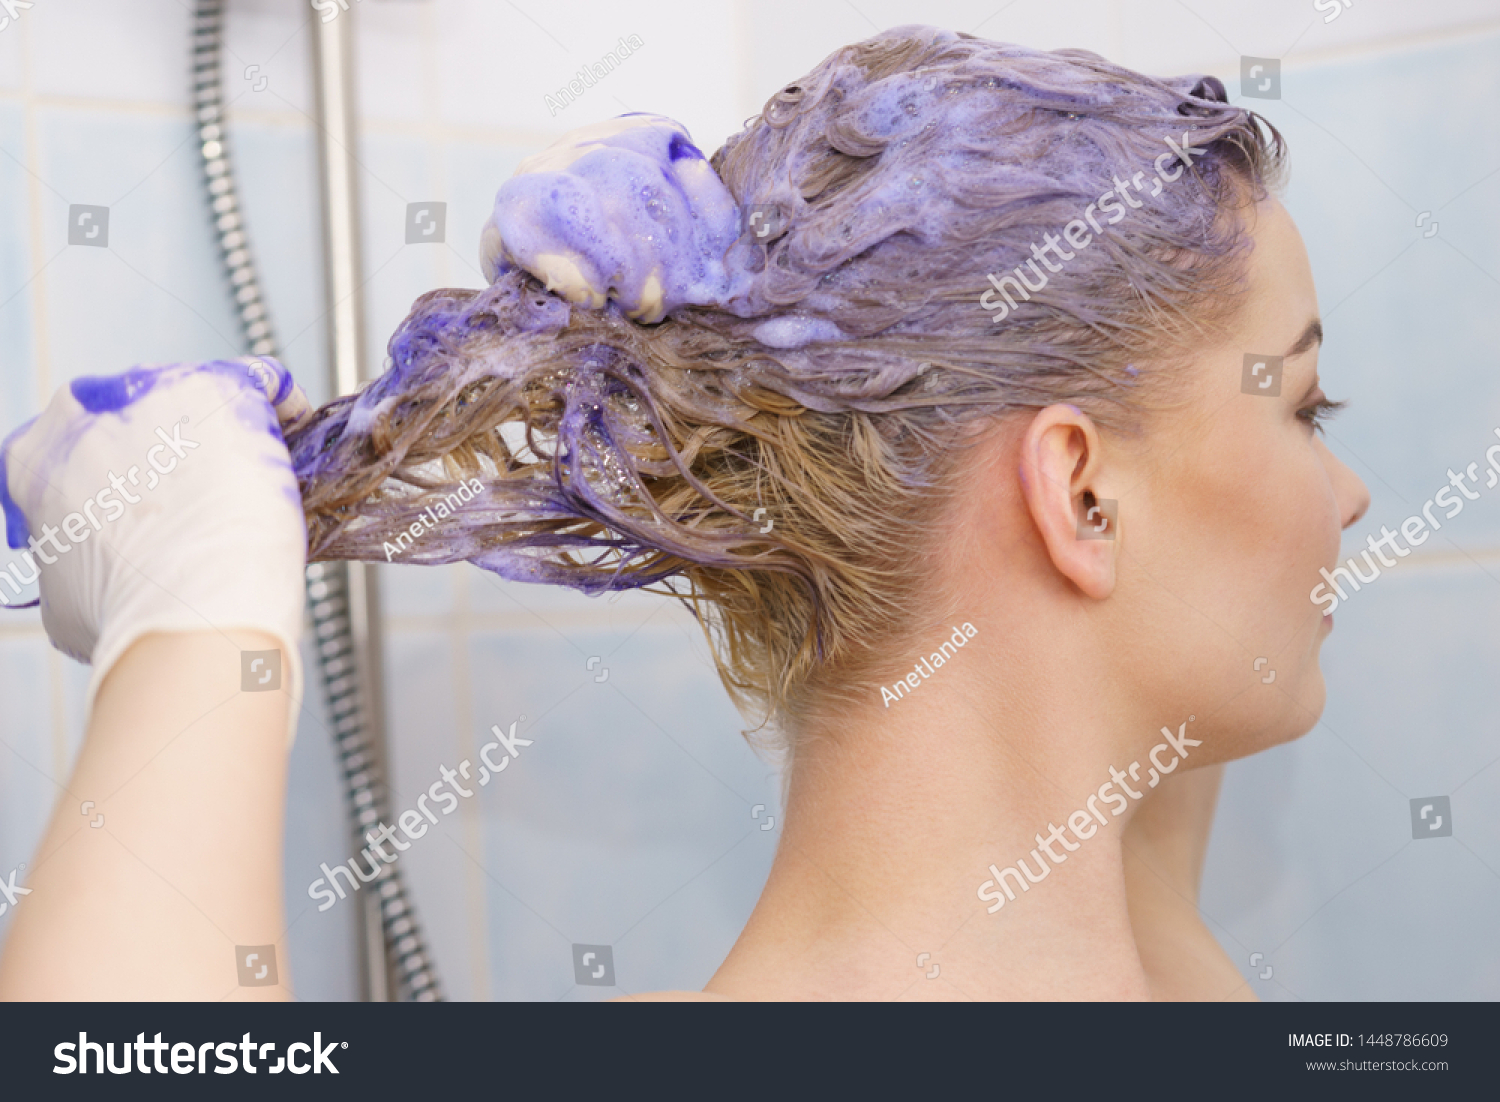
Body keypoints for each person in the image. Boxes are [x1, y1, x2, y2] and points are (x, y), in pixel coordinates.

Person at [0, 25, 1368, 1001]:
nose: (1348, 493)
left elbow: (1079, 651)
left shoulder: (1131, 925)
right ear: (1078, 491)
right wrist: (194, 593)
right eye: (1304, 409)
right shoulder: (1166, 969)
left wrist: (189, 599)